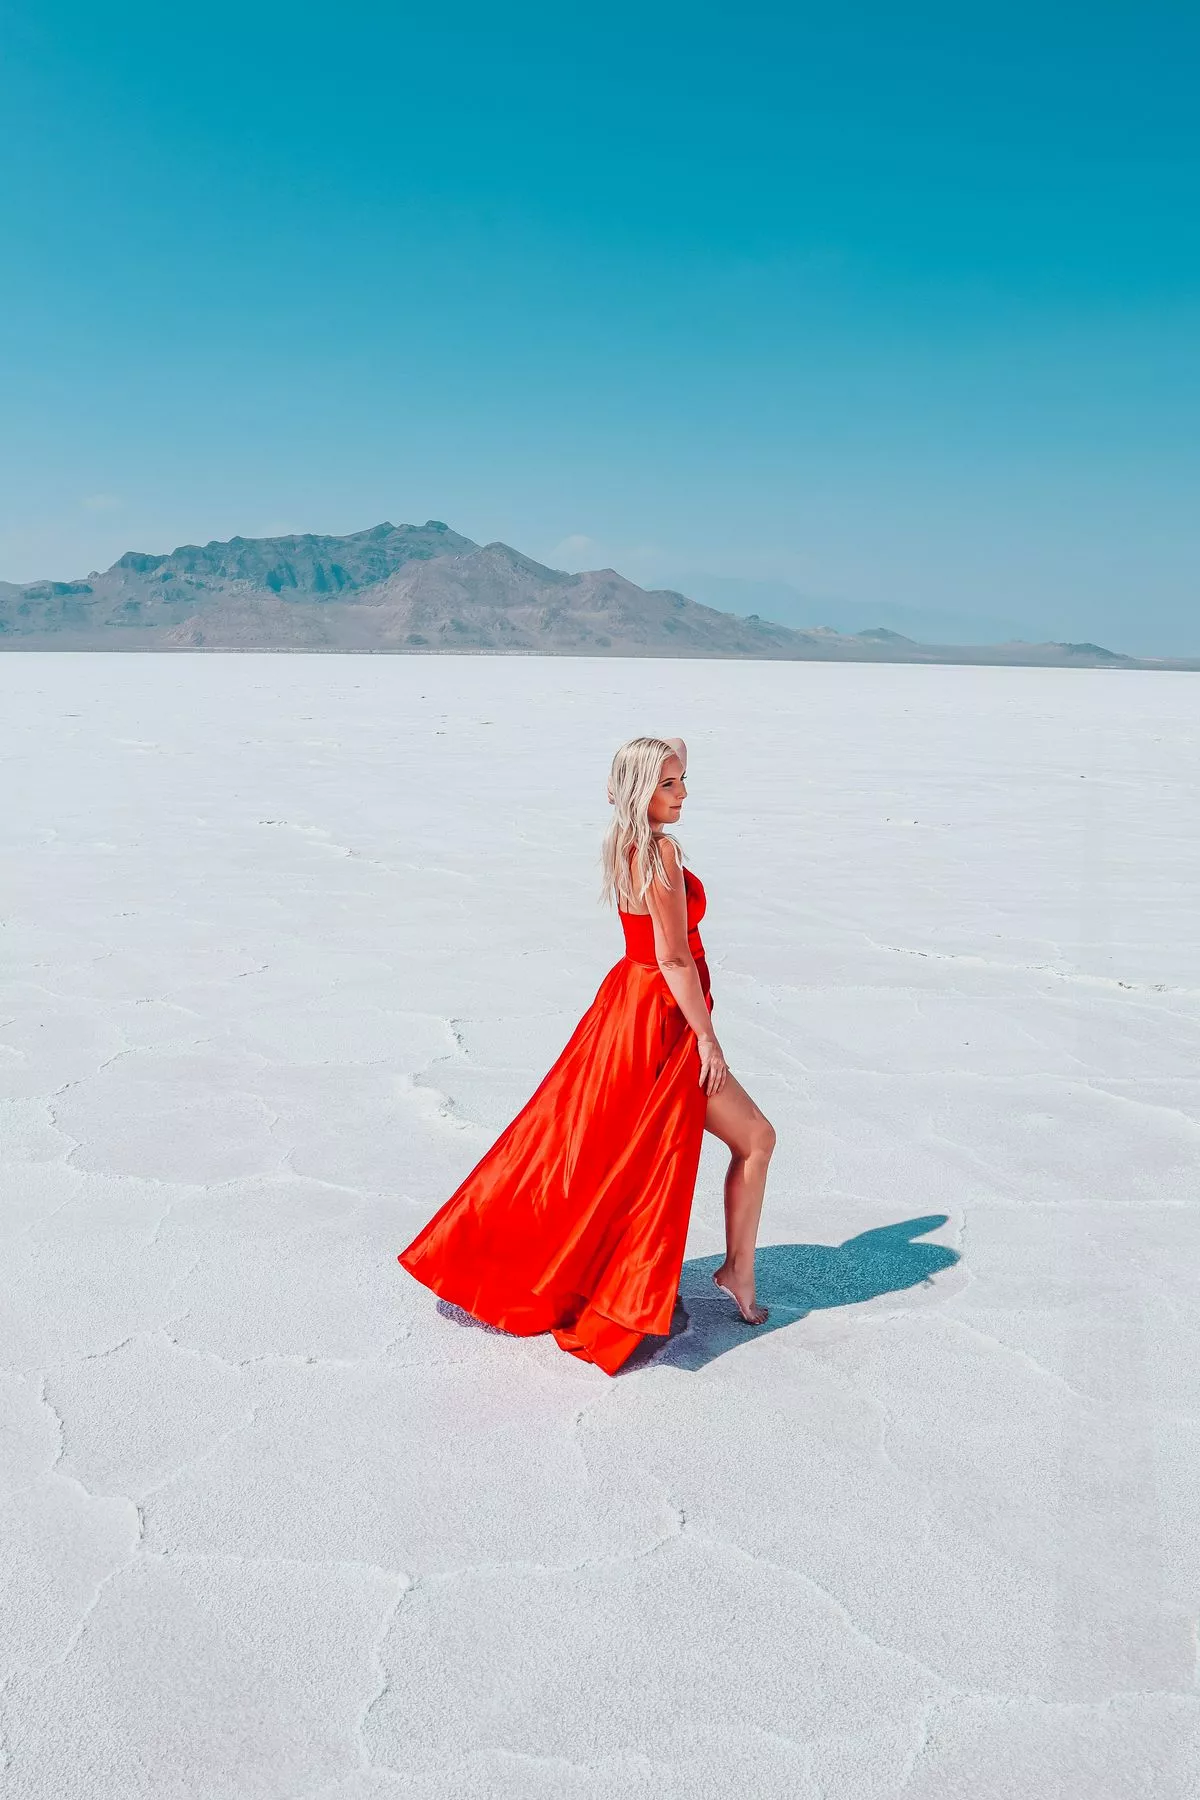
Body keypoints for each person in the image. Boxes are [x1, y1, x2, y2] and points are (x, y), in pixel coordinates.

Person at [397, 735, 776, 1374]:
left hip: (627, 1006)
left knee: (608, 1151)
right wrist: (708, 1039)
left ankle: (708, 1269)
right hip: (662, 1017)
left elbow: (658, 758)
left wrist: (656, 755)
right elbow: (674, 957)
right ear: (640, 794)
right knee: (756, 1138)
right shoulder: (660, 855)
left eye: (682, 781)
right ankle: (737, 1272)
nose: (683, 794)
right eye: (669, 785)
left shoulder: (625, 841)